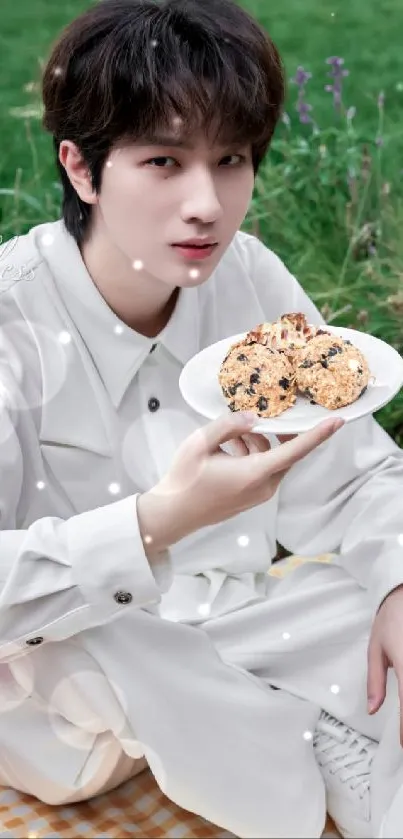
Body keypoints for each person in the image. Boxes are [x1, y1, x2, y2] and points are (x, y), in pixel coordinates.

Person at [0, 0, 403, 836]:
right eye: (162, 161)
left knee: (373, 614)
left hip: (241, 620)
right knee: (121, 645)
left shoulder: (248, 279)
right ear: (81, 169)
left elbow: (356, 469)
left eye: (230, 159)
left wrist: (396, 579)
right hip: (60, 688)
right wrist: (158, 522)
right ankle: (299, 747)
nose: (207, 204)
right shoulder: (12, 320)